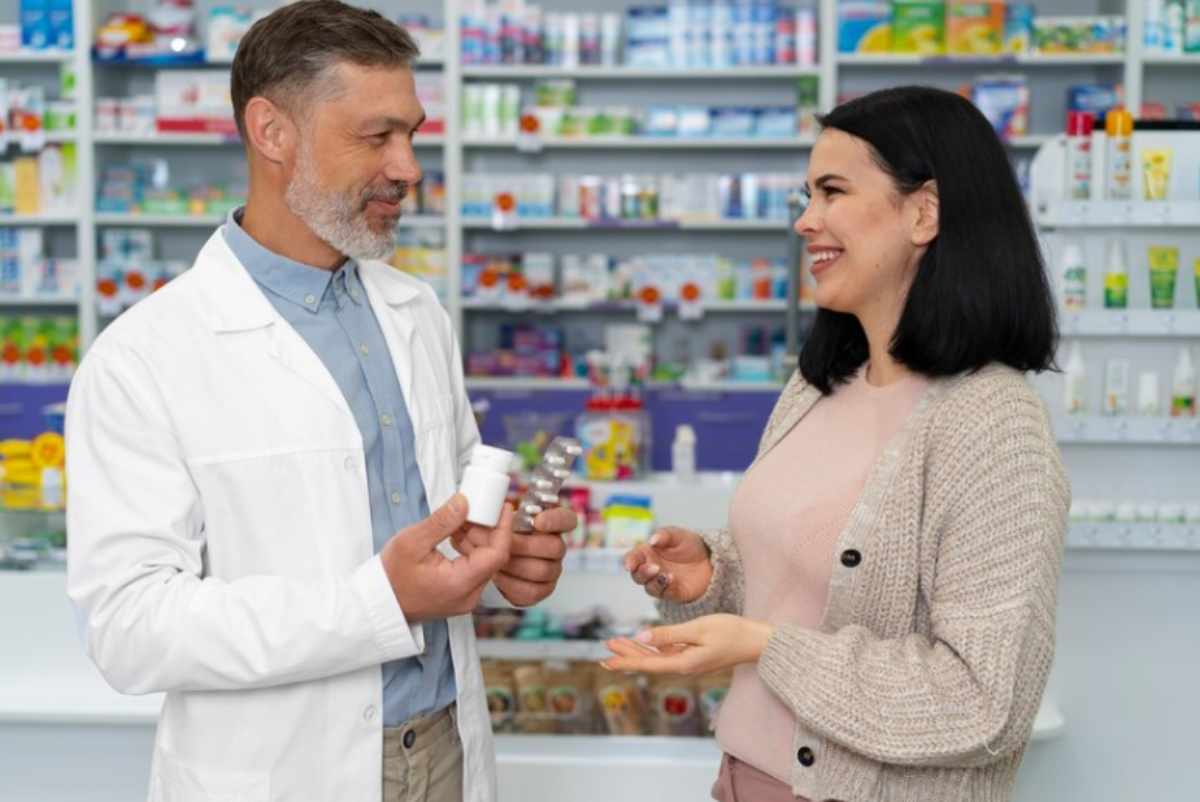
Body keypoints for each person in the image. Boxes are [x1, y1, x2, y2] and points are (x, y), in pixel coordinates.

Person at [65, 3, 575, 801]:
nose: (408, 168)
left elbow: (455, 507)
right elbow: (130, 630)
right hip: (280, 772)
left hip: (446, 744)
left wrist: (506, 557)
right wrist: (380, 599)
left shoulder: (415, 311)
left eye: (412, 133)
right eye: (377, 137)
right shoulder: (144, 356)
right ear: (272, 133)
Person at [607, 86, 1070, 802]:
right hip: (741, 781)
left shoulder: (992, 425)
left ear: (924, 213)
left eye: (831, 192)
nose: (804, 220)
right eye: (807, 193)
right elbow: (810, 587)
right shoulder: (820, 385)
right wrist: (712, 578)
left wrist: (766, 648)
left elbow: (985, 704)